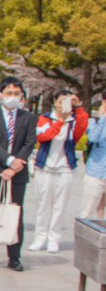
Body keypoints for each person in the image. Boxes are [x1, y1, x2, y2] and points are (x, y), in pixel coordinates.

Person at [0, 76, 38, 271]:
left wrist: (15, 167)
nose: (13, 97)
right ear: (1, 94)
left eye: (17, 94)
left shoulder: (28, 118)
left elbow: (30, 142)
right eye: (9, 93)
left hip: (18, 172)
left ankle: (14, 256)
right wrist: (9, 161)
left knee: (16, 213)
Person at [29, 88, 90, 252]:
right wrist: (60, 121)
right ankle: (39, 237)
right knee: (43, 205)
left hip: (65, 168)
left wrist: (78, 107)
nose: (63, 104)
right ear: (55, 102)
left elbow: (82, 126)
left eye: (67, 101)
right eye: (61, 100)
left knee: (59, 206)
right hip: (45, 167)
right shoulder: (45, 118)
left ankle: (53, 239)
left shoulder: (74, 120)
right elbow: (43, 136)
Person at [83, 99, 106, 219]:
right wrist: (103, 118)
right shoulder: (94, 121)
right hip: (95, 172)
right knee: (87, 211)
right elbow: (93, 138)